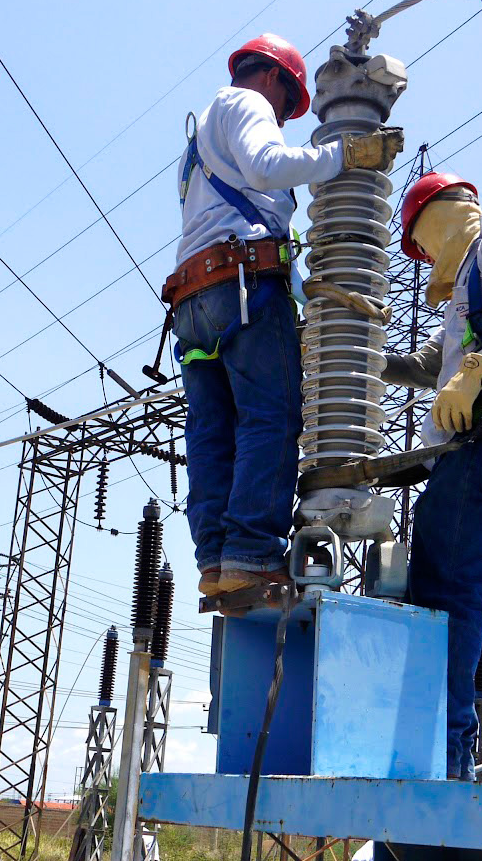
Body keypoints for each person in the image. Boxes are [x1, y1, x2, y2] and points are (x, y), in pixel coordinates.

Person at [166, 32, 403, 597]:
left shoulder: (196, 147)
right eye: (288, 105)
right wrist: (345, 154)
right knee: (269, 420)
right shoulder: (244, 102)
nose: (282, 118)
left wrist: (305, 287)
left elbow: (239, 212)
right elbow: (270, 165)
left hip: (195, 298)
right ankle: (250, 553)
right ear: (274, 78)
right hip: (244, 288)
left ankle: (217, 561)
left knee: (211, 433)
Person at [379, 172, 482, 781]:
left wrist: (481, 367)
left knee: (446, 600)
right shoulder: (466, 286)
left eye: (422, 245)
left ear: (436, 216)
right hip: (469, 454)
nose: (426, 259)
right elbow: (433, 366)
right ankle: (444, 749)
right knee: (443, 595)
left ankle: (448, 759)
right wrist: (367, 357)